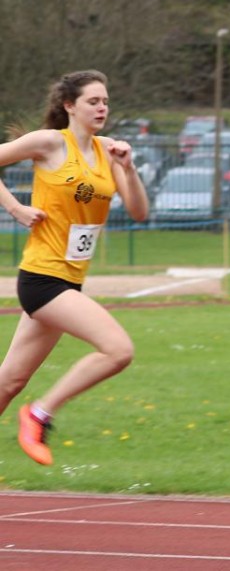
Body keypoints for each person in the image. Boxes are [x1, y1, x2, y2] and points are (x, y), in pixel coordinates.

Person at [0, 69, 148, 466]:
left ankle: (31, 409)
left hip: (70, 280)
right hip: (42, 278)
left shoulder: (109, 152)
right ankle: (39, 414)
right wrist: (15, 208)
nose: (102, 108)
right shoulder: (50, 142)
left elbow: (138, 212)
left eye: (105, 102)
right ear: (69, 105)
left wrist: (129, 168)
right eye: (93, 101)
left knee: (9, 381)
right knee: (118, 350)